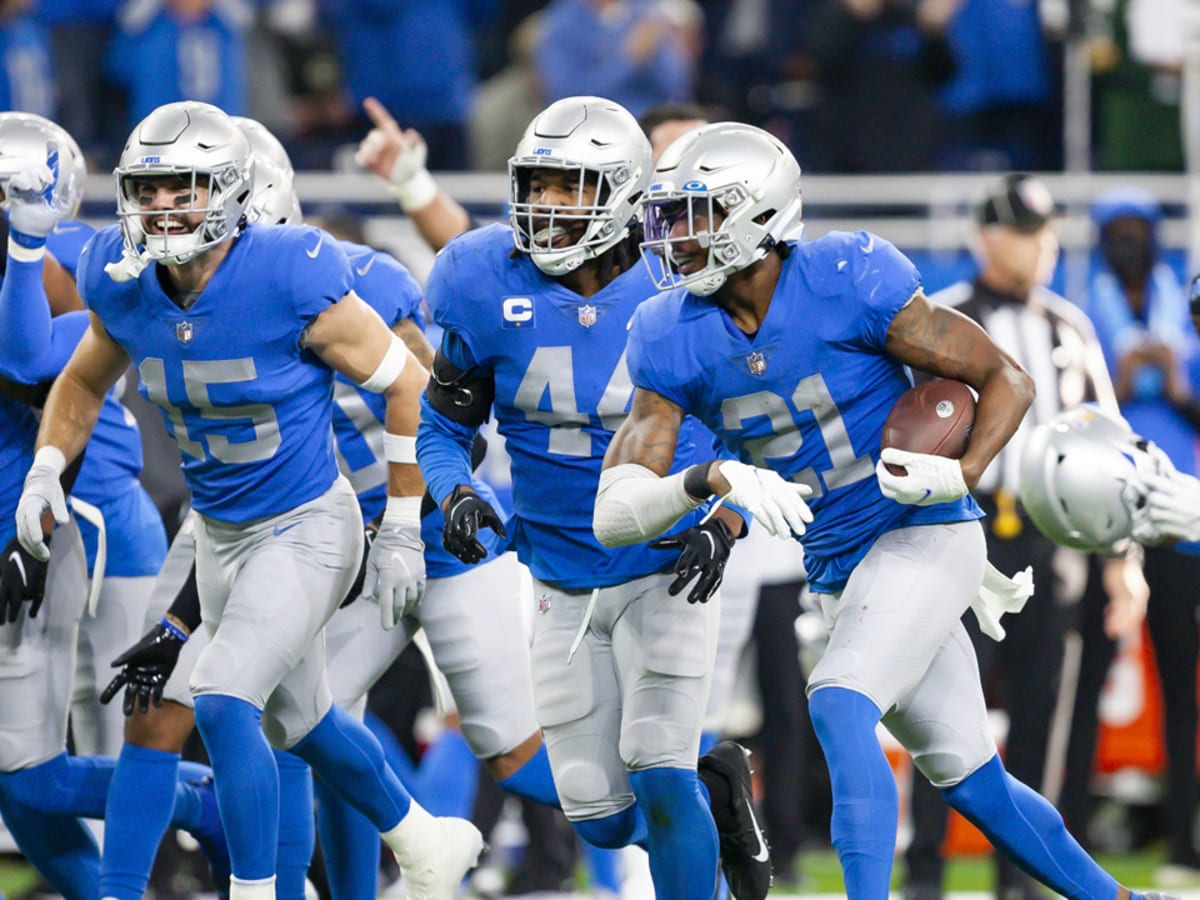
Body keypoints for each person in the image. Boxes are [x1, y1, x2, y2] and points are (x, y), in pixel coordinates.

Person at [591, 120, 1173, 900]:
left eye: (695, 215)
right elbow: (626, 492)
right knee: (974, 781)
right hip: (837, 561)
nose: (673, 237)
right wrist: (691, 501)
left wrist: (958, 474)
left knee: (838, 700)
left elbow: (1007, 379)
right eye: (669, 217)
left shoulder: (845, 277)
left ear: (757, 215)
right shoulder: (668, 335)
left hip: (919, 529)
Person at [14, 100, 482, 900]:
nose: (161, 207)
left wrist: (404, 521)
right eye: (148, 190)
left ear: (230, 193)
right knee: (275, 718)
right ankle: (423, 838)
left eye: (183, 189)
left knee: (229, 698)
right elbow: (83, 379)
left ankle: (262, 892)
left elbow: (413, 386)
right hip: (216, 527)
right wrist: (47, 466)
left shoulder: (290, 270)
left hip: (307, 523)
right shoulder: (121, 278)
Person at [415, 94, 772, 900]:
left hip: (666, 560)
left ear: (625, 191)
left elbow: (761, 427)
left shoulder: (690, 274)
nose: (545, 205)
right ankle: (720, 803)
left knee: (658, 765)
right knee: (601, 814)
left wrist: (726, 517)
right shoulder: (479, 278)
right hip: (560, 574)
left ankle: (697, 813)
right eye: (537, 184)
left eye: (569, 187)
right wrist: (455, 489)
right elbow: (440, 429)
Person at [0, 110, 228, 899]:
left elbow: (32, 361)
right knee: (31, 773)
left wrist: (25, 246)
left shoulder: (69, 257)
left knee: (117, 740)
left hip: (84, 525)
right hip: (46, 528)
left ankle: (221, 820)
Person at [904, 173, 1148, 900]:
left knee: (1045, 716)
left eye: (1045, 233)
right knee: (941, 713)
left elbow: (1112, 446)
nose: (1039, 246)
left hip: (1052, 538)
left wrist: (1121, 562)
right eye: (1023, 232)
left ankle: (1025, 880)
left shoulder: (1067, 325)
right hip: (964, 534)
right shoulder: (943, 320)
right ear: (985, 237)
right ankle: (926, 876)